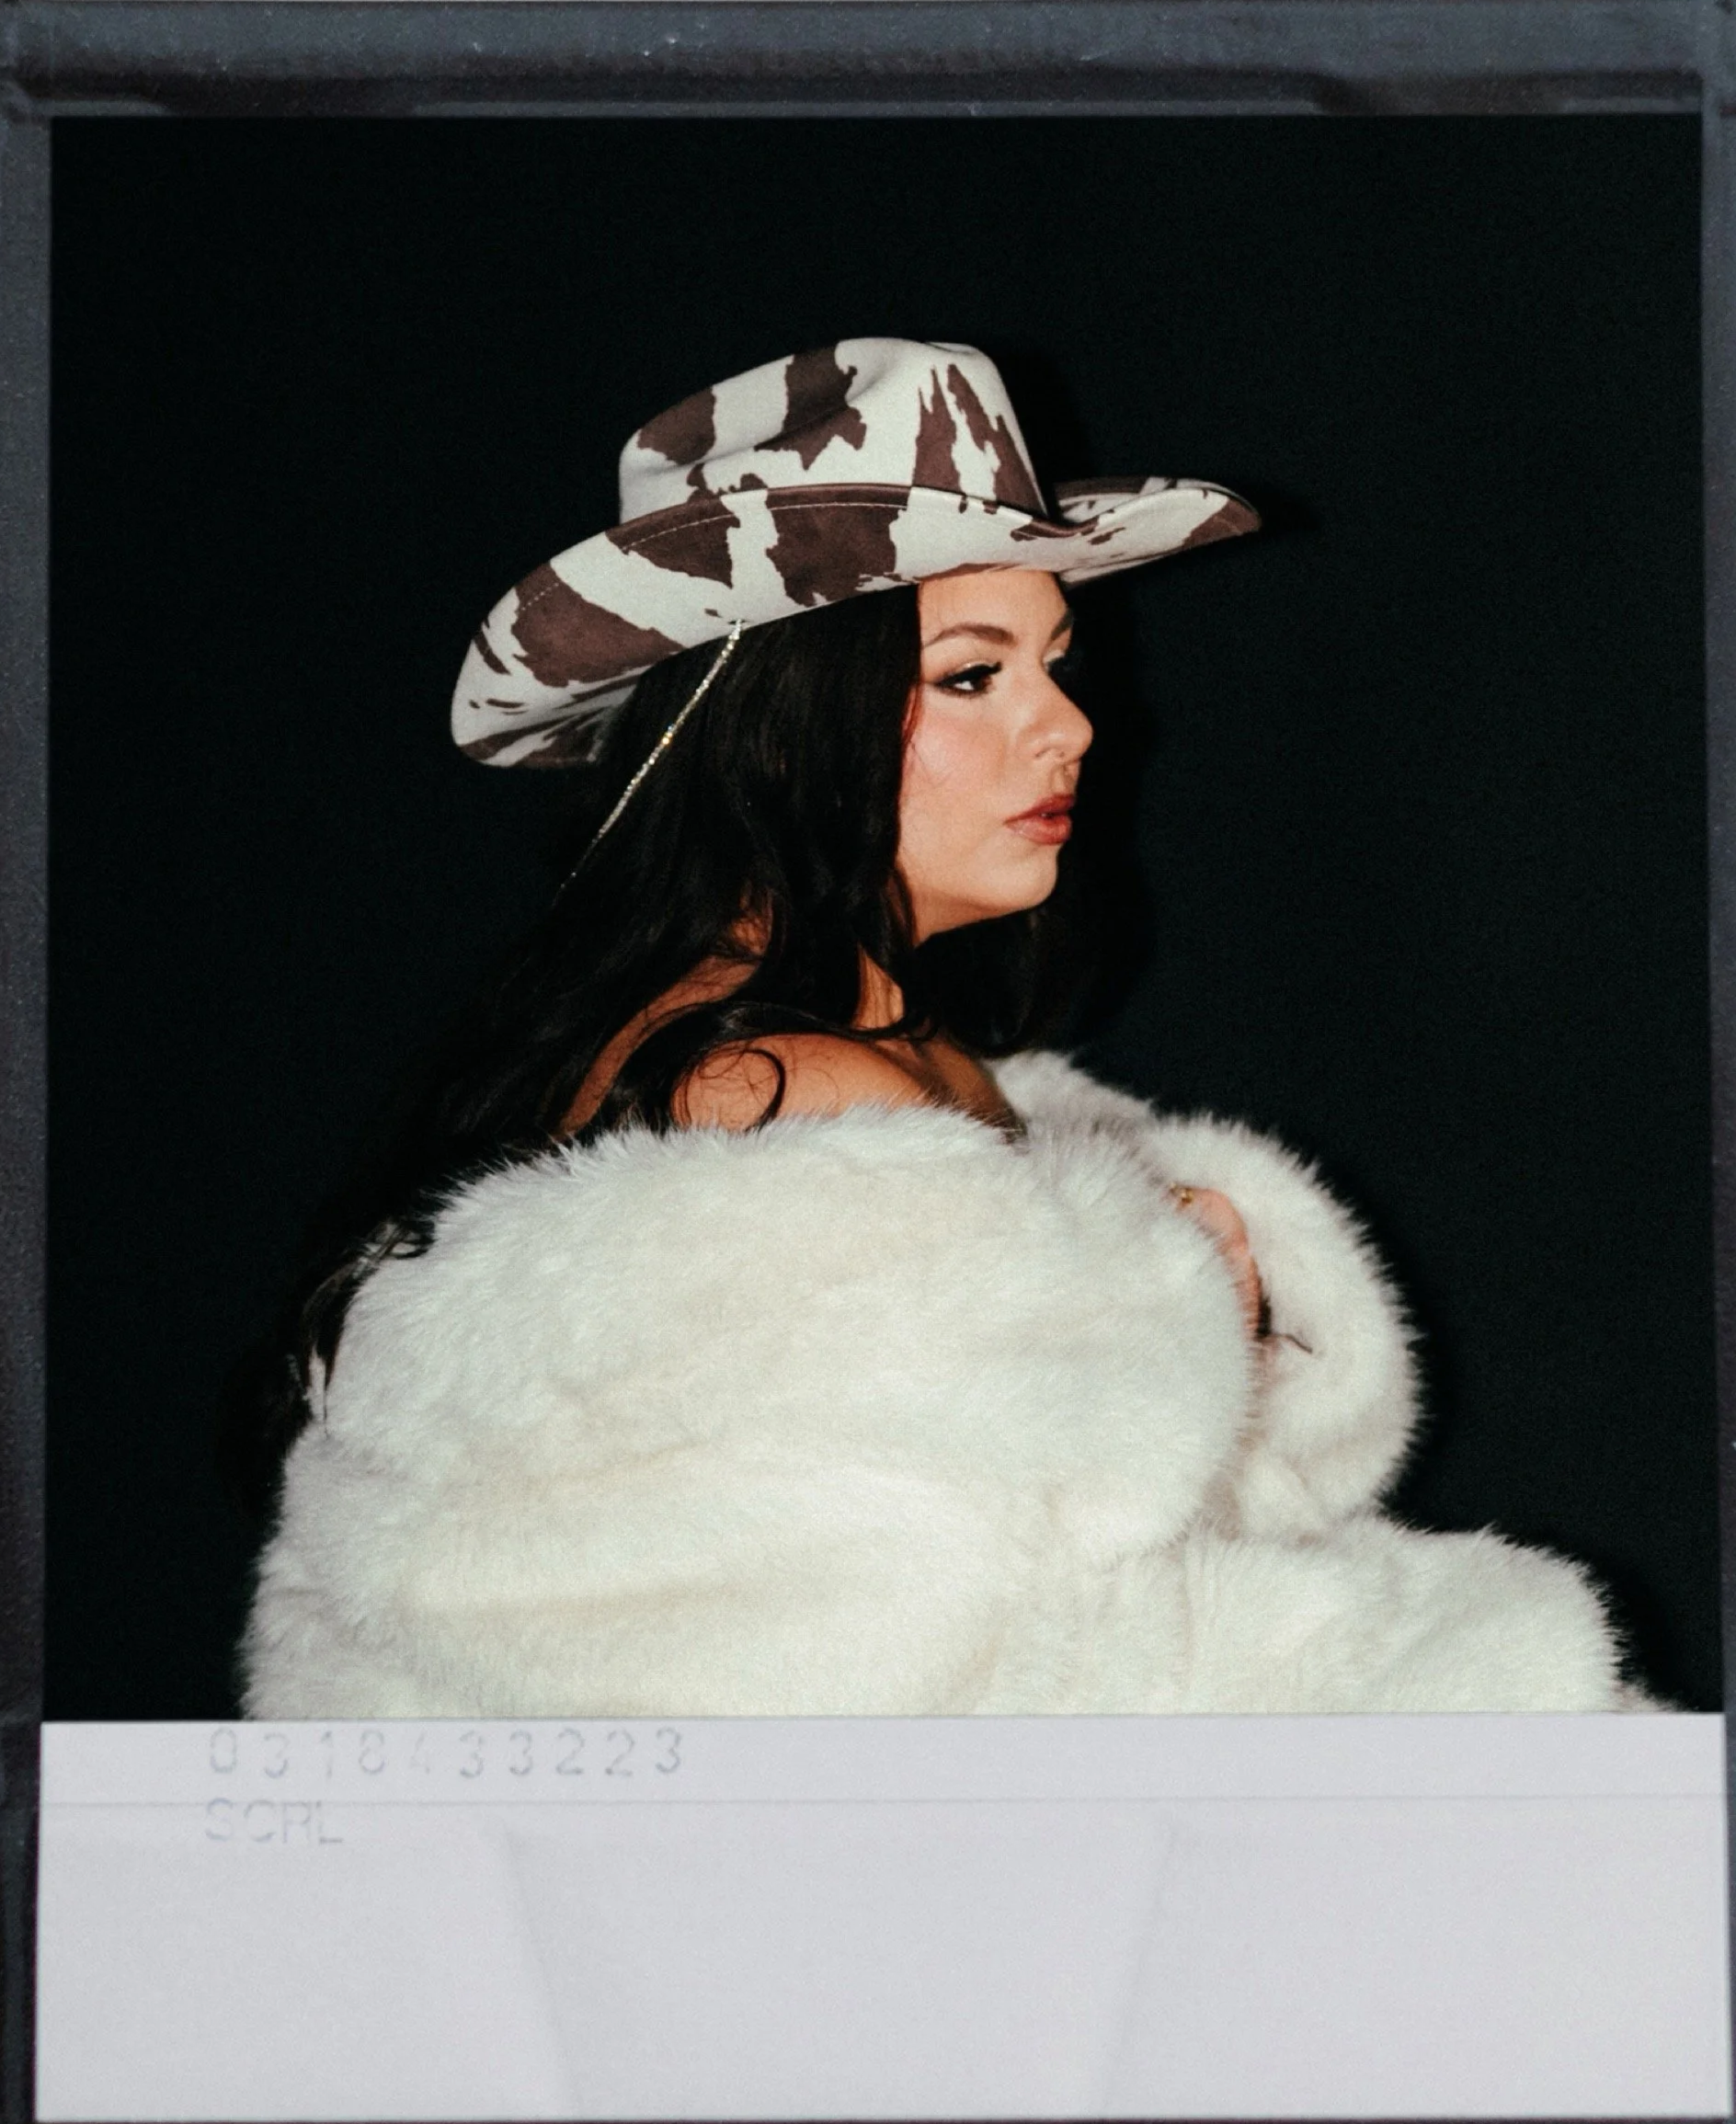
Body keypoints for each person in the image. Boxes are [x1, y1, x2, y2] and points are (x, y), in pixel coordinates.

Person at [239, 338, 1642, 1717]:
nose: (1069, 727)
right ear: (785, 726)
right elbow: (920, 1655)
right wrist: (1184, 1304)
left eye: (1055, 660)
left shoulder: (874, 1067)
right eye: (975, 675)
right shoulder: (778, 1090)